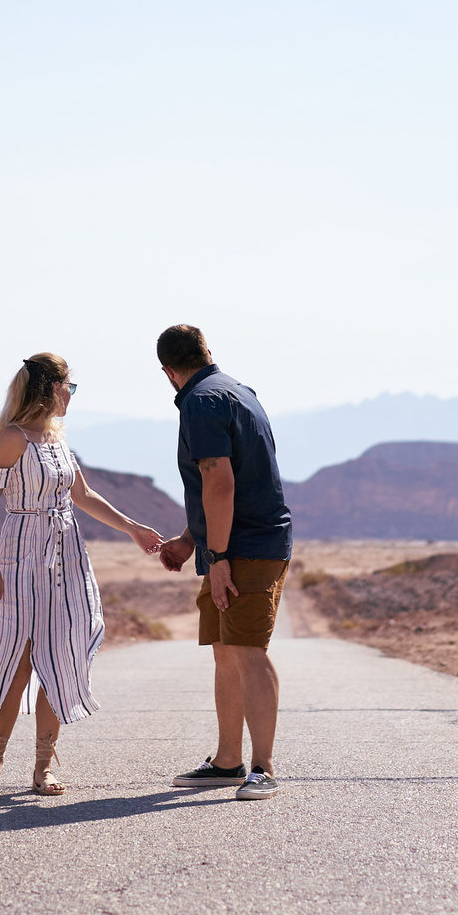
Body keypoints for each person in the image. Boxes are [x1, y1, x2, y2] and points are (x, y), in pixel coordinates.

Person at [0, 352, 164, 795]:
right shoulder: (12, 438)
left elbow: (84, 495)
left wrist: (133, 528)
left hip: (67, 559)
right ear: (47, 388)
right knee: (15, 661)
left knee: (61, 658)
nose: (71, 396)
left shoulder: (58, 440)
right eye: (68, 387)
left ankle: (43, 768)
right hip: (19, 558)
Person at [152, 325, 292, 800]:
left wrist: (220, 557)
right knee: (226, 648)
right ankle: (228, 761)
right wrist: (193, 539)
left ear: (167, 371)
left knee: (249, 648)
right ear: (206, 353)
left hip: (245, 548)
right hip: (238, 543)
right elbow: (239, 479)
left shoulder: (199, 402)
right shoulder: (238, 391)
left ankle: (264, 768)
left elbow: (222, 484)